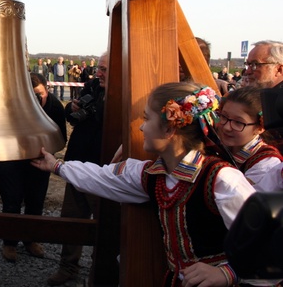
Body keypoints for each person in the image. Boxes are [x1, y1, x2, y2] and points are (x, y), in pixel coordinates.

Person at [32, 82, 255, 287]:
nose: (141, 128)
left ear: (169, 129)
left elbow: (270, 243)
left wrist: (228, 273)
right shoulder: (154, 175)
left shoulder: (221, 179)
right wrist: (56, 166)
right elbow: (103, 177)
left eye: (147, 119)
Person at [43, 52, 108, 286]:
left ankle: (99, 271)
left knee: (103, 226)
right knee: (72, 220)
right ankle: (68, 266)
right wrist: (73, 106)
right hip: (77, 163)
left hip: (104, 170)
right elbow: (73, 116)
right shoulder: (92, 85)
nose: (98, 73)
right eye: (99, 68)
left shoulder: (125, 94)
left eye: (104, 70)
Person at [0, 73, 67, 262]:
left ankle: (30, 240)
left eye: (39, 94)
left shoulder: (55, 107)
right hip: (12, 161)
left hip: (39, 162)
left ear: (47, 90)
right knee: (11, 202)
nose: (36, 100)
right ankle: (9, 242)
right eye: (31, 95)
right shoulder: (12, 104)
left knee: (36, 201)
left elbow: (61, 138)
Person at [214, 86, 283, 189]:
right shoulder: (218, 147)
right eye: (224, 117)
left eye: (238, 122)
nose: (227, 127)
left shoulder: (266, 163)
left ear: (260, 127)